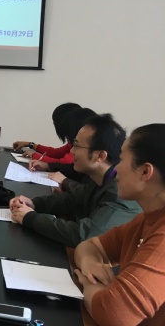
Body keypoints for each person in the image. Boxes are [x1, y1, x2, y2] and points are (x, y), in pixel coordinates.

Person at [74, 124, 165, 326]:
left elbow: (115, 314)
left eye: (122, 160)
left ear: (145, 171)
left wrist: (88, 282)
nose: (115, 169)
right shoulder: (147, 219)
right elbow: (90, 246)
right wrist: (89, 263)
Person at [9, 113, 141, 248]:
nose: (72, 151)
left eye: (77, 145)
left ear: (100, 156)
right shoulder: (101, 177)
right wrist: (34, 203)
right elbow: (71, 200)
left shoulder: (120, 192)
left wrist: (31, 218)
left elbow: (84, 235)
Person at [13, 102, 82, 166]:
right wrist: (30, 144)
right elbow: (56, 153)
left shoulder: (81, 142)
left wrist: (34, 155)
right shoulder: (73, 140)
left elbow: (63, 163)